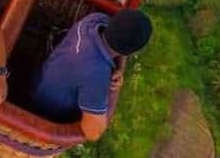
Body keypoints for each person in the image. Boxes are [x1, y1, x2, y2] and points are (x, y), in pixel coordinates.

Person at [28, 9, 152, 141]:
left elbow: (119, 50)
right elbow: (93, 133)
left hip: (37, 82)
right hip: (46, 117)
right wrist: (115, 92)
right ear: (131, 51)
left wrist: (119, 69)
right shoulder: (96, 76)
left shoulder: (94, 20)